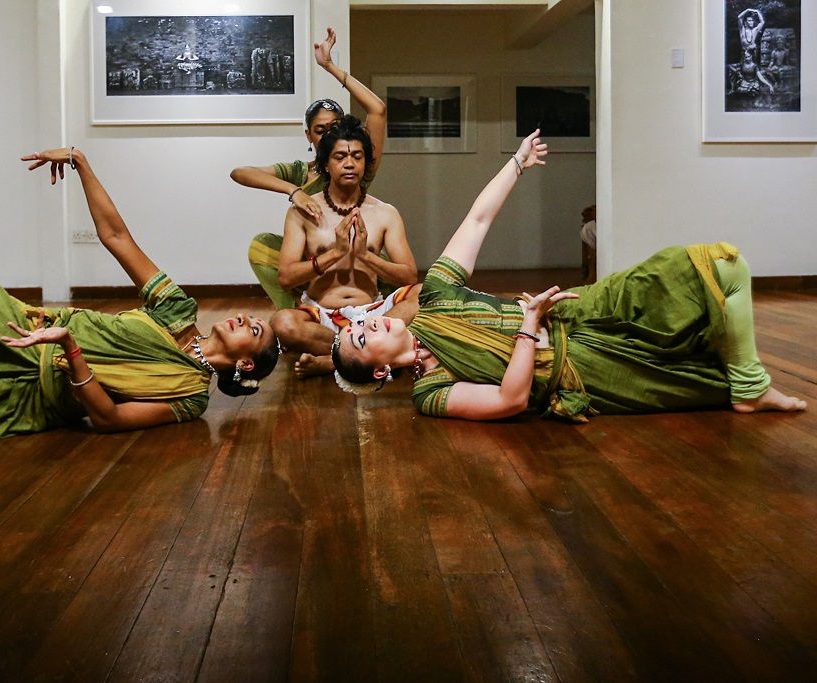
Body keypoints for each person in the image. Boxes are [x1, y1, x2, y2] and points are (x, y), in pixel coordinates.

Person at [331, 130, 806, 422]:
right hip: (583, 370)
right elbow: (510, 400)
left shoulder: (435, 294)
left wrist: (516, 164)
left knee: (721, 265)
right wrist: (527, 325)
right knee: (703, 382)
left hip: (579, 311)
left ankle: (751, 385)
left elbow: (476, 221)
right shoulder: (429, 394)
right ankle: (743, 389)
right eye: (359, 337)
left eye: (358, 323)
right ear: (379, 369)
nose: (366, 323)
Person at [0, 147, 280, 452]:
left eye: (254, 329)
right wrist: (82, 163)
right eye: (251, 318)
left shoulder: (189, 399)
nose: (243, 317)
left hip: (31, 394)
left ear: (244, 364)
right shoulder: (177, 309)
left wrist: (69, 347)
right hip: (23, 324)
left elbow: (106, 420)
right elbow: (117, 237)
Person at [232, 27, 388, 310]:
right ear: (309, 136)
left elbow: (377, 110)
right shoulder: (300, 172)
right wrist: (294, 191)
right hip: (317, 259)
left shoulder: (358, 167)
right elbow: (240, 172)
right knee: (261, 246)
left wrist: (329, 66)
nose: (327, 136)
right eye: (320, 130)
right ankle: (294, 313)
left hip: (358, 259)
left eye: (334, 128)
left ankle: (373, 312)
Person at [271, 115, 419, 378]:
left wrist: (365, 256)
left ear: (365, 163)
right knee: (283, 323)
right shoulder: (302, 213)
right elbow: (285, 278)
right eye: (340, 157)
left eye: (357, 157)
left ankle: (333, 361)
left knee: (424, 294)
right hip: (323, 316)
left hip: (374, 314)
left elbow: (409, 276)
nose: (349, 163)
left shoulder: (385, 213)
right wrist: (335, 254)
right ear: (326, 165)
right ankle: (367, 356)